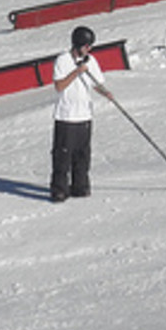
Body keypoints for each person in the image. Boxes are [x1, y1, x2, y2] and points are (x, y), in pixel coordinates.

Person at [50, 26, 111, 202]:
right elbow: (59, 86)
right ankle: (59, 190)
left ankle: (80, 187)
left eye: (90, 46)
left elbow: (96, 83)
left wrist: (105, 92)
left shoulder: (90, 61)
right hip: (66, 116)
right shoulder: (62, 60)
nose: (88, 49)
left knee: (82, 156)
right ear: (76, 44)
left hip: (84, 116)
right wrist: (77, 72)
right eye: (86, 46)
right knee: (62, 156)